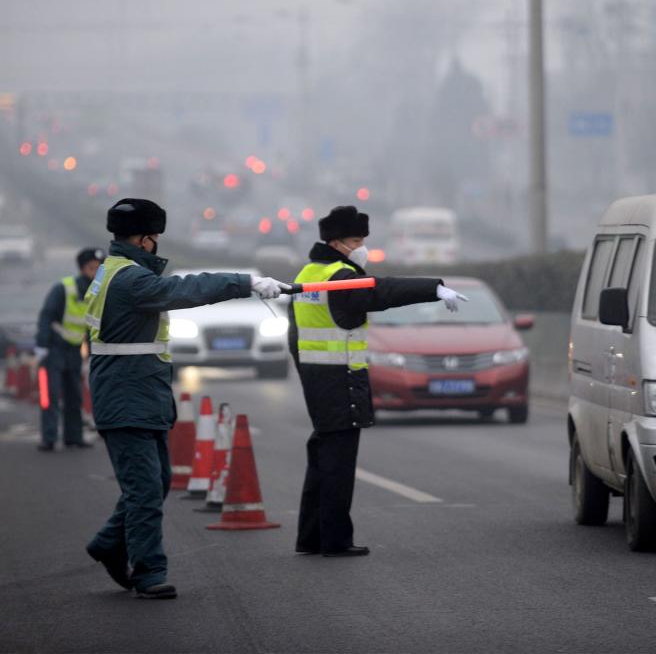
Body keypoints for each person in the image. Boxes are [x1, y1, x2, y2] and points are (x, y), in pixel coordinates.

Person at [84, 198, 288, 599]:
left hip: (138, 394)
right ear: (144, 239)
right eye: (155, 237)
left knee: (156, 483)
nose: (156, 244)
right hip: (127, 397)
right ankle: (148, 573)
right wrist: (245, 282)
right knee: (145, 492)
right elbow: (184, 289)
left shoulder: (115, 270)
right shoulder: (130, 280)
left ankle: (108, 544)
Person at [289, 205, 467, 556]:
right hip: (340, 379)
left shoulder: (310, 272)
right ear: (337, 242)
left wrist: (307, 373)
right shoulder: (341, 276)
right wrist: (434, 288)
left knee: (322, 459)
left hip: (317, 377)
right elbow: (380, 292)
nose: (362, 247)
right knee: (338, 464)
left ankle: (312, 537)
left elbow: (295, 336)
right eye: (356, 240)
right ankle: (336, 541)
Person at [34, 247, 105, 452]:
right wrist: (41, 346)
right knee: (51, 396)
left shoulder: (97, 294)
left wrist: (93, 354)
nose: (96, 273)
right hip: (53, 349)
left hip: (74, 351)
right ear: (83, 269)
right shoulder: (65, 288)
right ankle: (48, 438)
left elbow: (92, 327)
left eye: (100, 269)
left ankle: (73, 437)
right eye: (93, 268)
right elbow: (46, 316)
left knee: (75, 397)